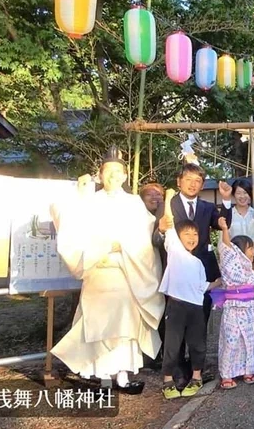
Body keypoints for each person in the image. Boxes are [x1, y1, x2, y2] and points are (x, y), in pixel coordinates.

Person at [52, 146, 164, 394]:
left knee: (126, 329)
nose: (113, 176)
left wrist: (121, 246)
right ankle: (101, 378)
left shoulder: (134, 203)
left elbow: (144, 237)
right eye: (108, 171)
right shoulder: (89, 200)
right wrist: (78, 194)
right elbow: (66, 220)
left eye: (118, 172)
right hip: (98, 272)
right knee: (98, 327)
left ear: (125, 176)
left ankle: (122, 377)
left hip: (127, 274)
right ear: (100, 174)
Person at [158, 189, 223, 399]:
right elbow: (168, 221)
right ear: (178, 237)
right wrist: (168, 198)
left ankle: (196, 376)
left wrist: (217, 283)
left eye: (195, 234)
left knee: (198, 344)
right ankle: (168, 380)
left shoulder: (199, 263)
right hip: (176, 306)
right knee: (172, 344)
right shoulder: (174, 250)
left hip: (195, 308)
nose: (192, 237)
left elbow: (201, 287)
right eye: (187, 234)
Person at [154, 163, 232, 323]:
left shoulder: (208, 207)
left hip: (203, 272)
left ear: (202, 185)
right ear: (178, 181)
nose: (192, 184)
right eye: (188, 179)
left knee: (200, 322)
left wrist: (226, 200)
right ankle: (176, 349)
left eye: (197, 180)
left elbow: (223, 224)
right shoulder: (168, 205)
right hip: (177, 274)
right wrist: (161, 230)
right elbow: (156, 240)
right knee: (176, 325)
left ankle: (200, 348)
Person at [215, 218, 254, 389]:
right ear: (241, 249)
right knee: (231, 341)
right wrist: (224, 229)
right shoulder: (230, 262)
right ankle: (227, 374)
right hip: (233, 309)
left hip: (250, 310)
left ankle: (249, 370)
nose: (253, 251)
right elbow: (226, 248)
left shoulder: (251, 272)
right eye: (250, 248)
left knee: (251, 341)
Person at [221, 179, 254, 253]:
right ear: (233, 194)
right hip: (235, 259)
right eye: (238, 193)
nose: (242, 196)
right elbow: (223, 240)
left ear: (250, 195)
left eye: (245, 193)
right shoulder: (228, 215)